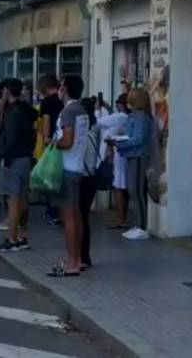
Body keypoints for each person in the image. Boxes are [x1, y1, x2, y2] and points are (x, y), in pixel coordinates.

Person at [48, 75, 90, 277]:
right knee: (77, 215)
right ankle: (78, 259)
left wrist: (52, 142)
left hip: (66, 167)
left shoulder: (67, 112)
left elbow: (67, 141)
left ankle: (71, 263)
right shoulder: (82, 110)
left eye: (61, 86)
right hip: (78, 167)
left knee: (69, 217)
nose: (59, 90)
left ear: (65, 89)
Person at [0, 78, 37, 252]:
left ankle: (12, 238)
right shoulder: (27, 110)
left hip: (14, 158)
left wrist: (5, 156)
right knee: (22, 199)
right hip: (25, 157)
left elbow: (10, 137)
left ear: (7, 91)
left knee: (12, 201)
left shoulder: (12, 112)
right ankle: (22, 236)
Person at [109, 88, 154, 241]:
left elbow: (137, 138)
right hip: (132, 155)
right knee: (133, 191)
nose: (127, 102)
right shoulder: (135, 116)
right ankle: (137, 225)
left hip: (138, 156)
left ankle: (142, 227)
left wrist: (119, 143)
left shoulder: (141, 117)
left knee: (137, 191)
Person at [99, 94, 130, 229]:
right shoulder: (127, 118)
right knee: (122, 187)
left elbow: (99, 122)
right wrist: (107, 107)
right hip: (122, 155)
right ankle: (122, 216)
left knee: (118, 186)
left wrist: (96, 109)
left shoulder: (120, 117)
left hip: (118, 155)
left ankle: (120, 219)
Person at [38, 73, 64, 226]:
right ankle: (57, 211)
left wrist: (46, 139)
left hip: (51, 142)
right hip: (61, 139)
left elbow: (46, 119)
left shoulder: (47, 102)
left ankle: (52, 212)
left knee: (49, 177)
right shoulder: (62, 100)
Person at [79, 97, 102, 269]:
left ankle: (82, 256)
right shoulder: (96, 128)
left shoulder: (84, 132)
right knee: (84, 217)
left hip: (83, 176)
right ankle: (84, 255)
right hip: (92, 176)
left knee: (80, 217)